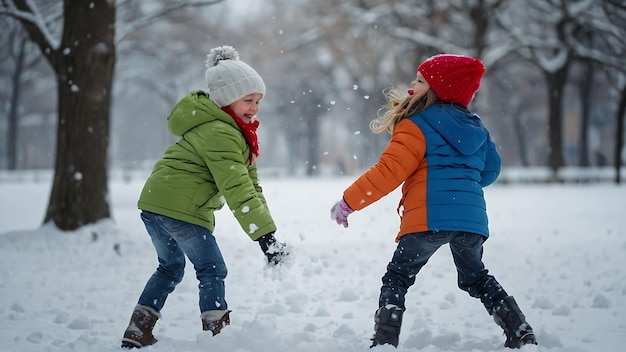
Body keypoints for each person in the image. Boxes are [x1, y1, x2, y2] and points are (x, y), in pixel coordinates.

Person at [330, 54, 536, 349]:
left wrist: (350, 201)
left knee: (398, 277)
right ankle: (519, 329)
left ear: (438, 89)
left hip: (427, 217)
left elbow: (389, 172)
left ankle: (386, 339)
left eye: (420, 80)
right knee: (476, 277)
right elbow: (489, 172)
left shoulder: (415, 125)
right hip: (471, 222)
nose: (412, 83)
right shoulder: (477, 127)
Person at [121, 45, 288, 349]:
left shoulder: (227, 130)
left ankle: (138, 329)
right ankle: (216, 336)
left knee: (170, 267)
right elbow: (237, 188)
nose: (255, 107)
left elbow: (250, 185)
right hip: (179, 208)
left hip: (155, 204)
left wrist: (268, 230)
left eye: (258, 100)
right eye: (248, 100)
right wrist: (265, 237)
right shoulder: (222, 133)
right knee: (212, 269)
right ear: (226, 99)